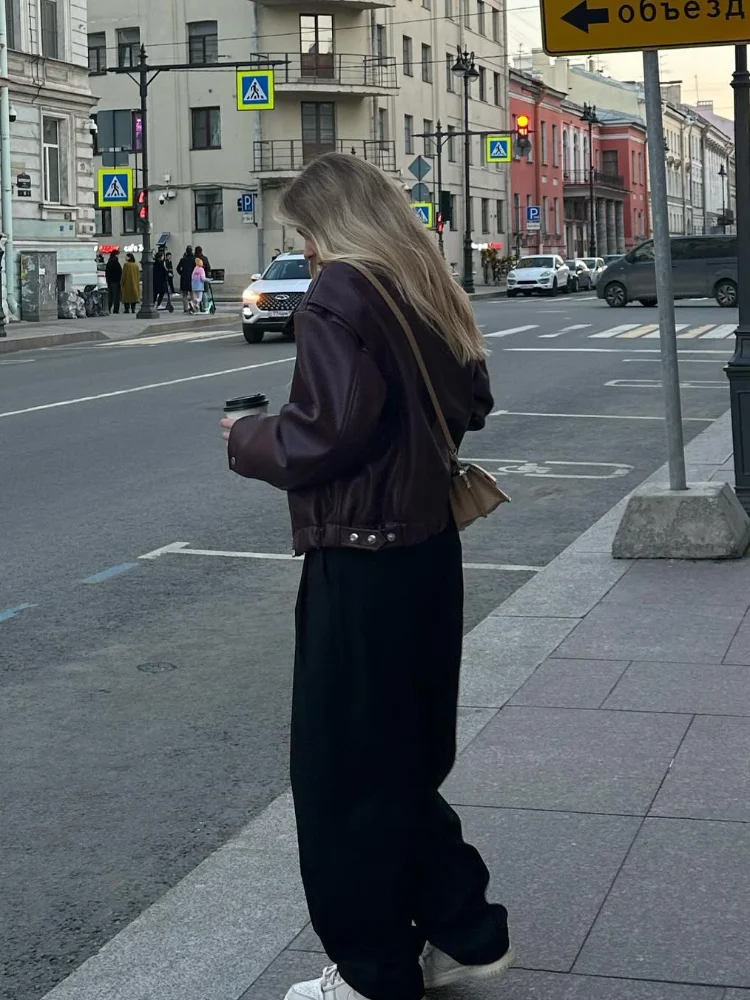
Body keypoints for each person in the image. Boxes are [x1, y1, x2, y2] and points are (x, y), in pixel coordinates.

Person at [220, 152, 512, 1000]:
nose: (306, 251)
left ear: (330, 225)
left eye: (305, 233)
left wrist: (246, 438)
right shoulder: (424, 283)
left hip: (362, 556)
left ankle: (376, 972)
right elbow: (473, 403)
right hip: (426, 552)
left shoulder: (342, 291)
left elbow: (327, 432)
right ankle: (461, 929)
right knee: (397, 762)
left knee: (343, 775)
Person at [176, 245, 196, 313]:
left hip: (184, 278)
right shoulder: (194, 259)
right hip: (192, 278)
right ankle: (193, 306)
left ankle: (185, 308)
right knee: (192, 293)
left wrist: (181, 273)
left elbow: (178, 268)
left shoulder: (183, 260)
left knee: (184, 295)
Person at [194, 246, 211, 311]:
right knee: (205, 292)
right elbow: (208, 268)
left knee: (197, 294)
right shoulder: (204, 258)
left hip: (196, 279)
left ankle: (197, 307)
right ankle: (205, 306)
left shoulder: (194, 259)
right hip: (204, 277)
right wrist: (208, 277)